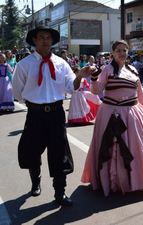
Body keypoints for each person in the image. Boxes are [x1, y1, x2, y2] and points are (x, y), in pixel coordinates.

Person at [12, 25, 97, 206]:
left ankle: (60, 191)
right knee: (32, 150)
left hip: (57, 113)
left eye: (48, 38)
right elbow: (18, 92)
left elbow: (70, 87)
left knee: (59, 153)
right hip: (35, 114)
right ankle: (36, 183)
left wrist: (80, 75)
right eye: (41, 37)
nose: (45, 41)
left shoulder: (61, 63)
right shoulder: (24, 64)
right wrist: (34, 102)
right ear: (34, 41)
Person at [81, 40, 143, 196]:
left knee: (135, 148)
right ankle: (114, 182)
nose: (122, 53)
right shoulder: (106, 69)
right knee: (112, 147)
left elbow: (140, 94)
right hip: (110, 113)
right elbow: (97, 91)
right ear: (112, 53)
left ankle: (136, 180)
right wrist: (94, 79)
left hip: (132, 114)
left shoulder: (132, 70)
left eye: (124, 50)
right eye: (118, 50)